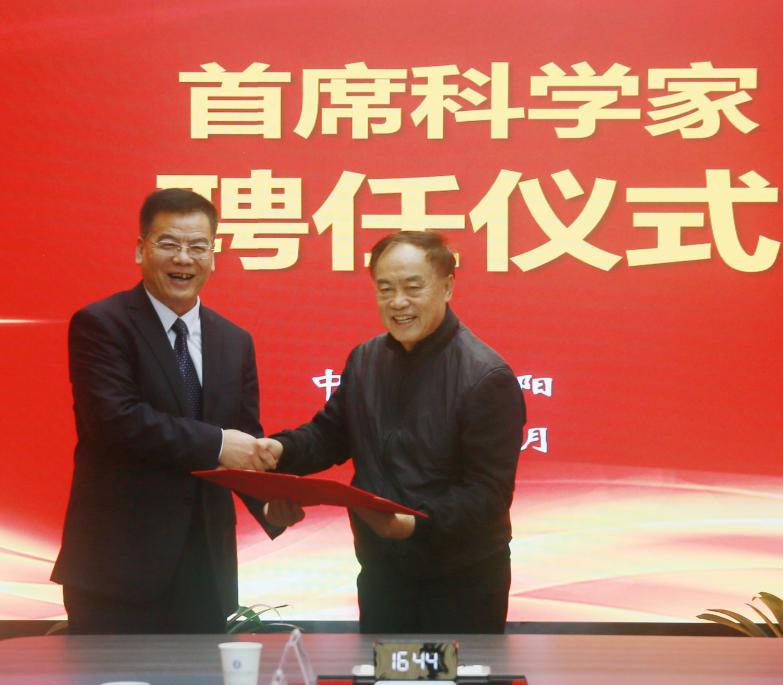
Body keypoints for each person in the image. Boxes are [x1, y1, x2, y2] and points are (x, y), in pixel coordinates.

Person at [51, 188, 300, 634]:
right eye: (169, 243)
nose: (183, 258)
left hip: (204, 572)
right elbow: (115, 421)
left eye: (198, 246)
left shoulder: (234, 341)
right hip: (117, 569)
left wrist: (268, 502)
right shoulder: (102, 324)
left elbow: (244, 436)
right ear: (140, 249)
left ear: (213, 256)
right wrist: (218, 444)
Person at [267, 231, 525, 633]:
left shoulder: (486, 376)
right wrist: (276, 451)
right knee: (383, 667)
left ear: (447, 286)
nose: (398, 302)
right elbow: (328, 436)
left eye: (412, 287)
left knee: (454, 671)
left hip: (462, 582)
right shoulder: (365, 360)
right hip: (383, 573)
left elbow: (488, 494)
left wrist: (415, 523)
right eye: (385, 289)